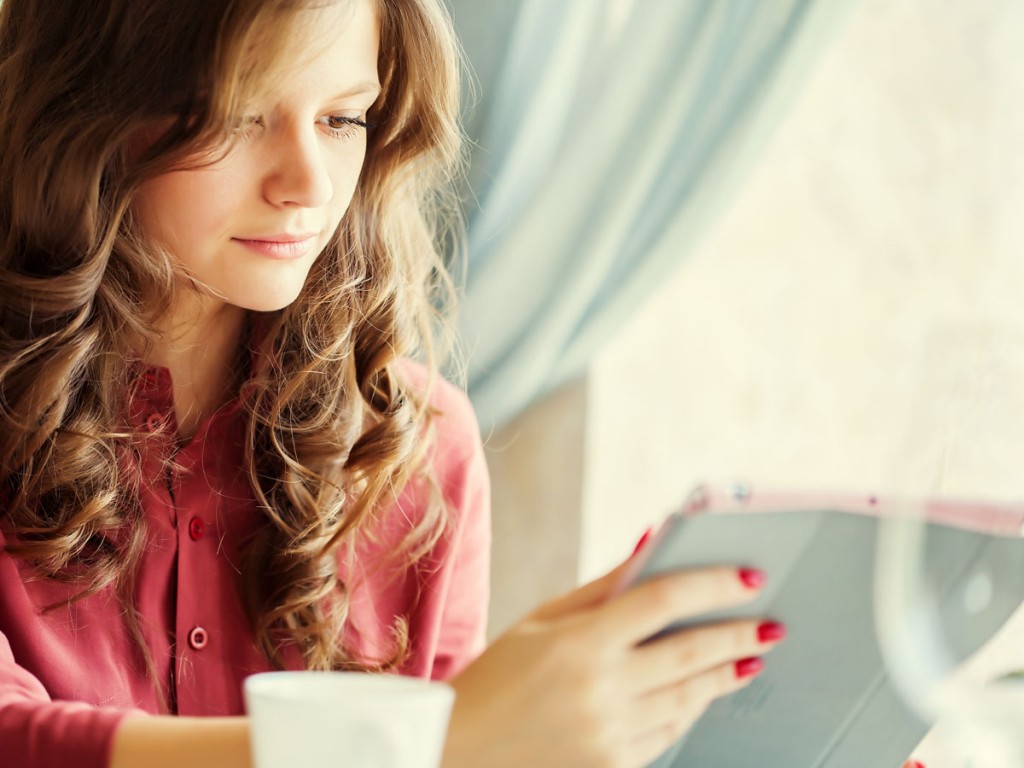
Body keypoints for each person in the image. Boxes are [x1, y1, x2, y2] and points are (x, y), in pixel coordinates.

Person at [0, 1, 787, 766]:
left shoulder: (421, 447)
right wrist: (430, 745)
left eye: (342, 120)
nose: (307, 184)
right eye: (241, 115)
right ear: (85, 108)